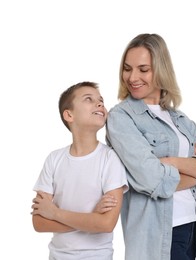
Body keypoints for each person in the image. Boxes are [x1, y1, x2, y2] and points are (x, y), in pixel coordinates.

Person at [105, 34, 196, 260]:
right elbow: (153, 179)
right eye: (127, 68)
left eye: (143, 69)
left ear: (161, 70)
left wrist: (172, 163)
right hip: (157, 237)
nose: (132, 77)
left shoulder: (179, 118)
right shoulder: (121, 118)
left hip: (190, 229)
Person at [31, 81, 128, 260]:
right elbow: (39, 223)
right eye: (88, 99)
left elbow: (106, 223)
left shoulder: (110, 159)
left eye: (101, 100)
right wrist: (92, 218)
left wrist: (55, 213)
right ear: (69, 114)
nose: (100, 103)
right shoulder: (54, 159)